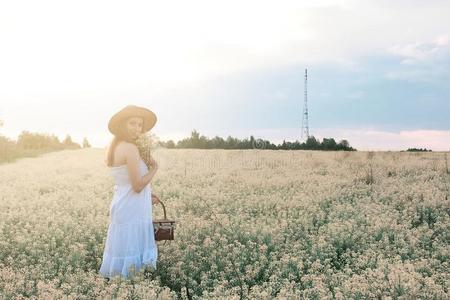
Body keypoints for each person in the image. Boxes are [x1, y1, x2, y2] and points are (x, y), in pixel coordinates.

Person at [99, 105, 159, 279]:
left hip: (124, 205)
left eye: (140, 125)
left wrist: (148, 196)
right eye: (132, 123)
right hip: (132, 210)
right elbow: (138, 185)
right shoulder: (130, 148)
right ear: (122, 125)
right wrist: (155, 168)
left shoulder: (116, 146)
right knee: (132, 254)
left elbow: (127, 183)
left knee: (122, 252)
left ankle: (122, 289)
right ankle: (131, 289)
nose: (137, 128)